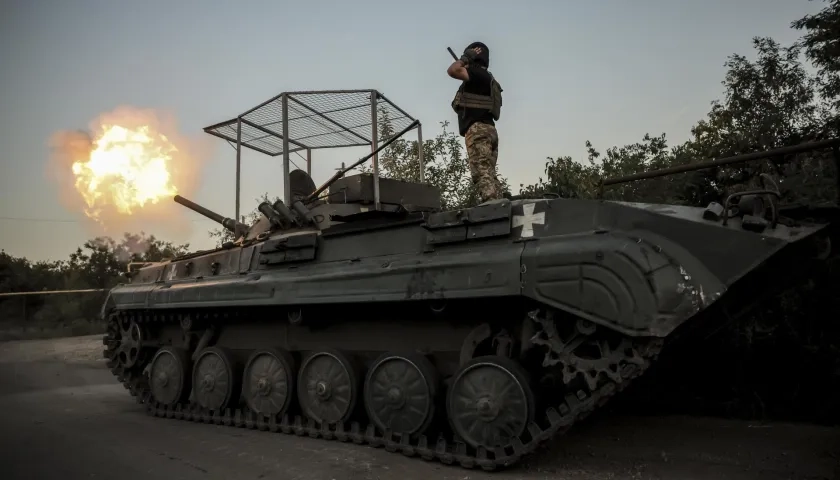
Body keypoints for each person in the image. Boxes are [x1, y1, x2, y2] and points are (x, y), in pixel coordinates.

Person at [447, 41, 504, 203]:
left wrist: (465, 59)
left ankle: (491, 205)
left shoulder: (477, 74)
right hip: (489, 130)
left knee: (481, 172)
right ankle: (498, 201)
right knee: (489, 172)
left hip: (478, 130)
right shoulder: (489, 79)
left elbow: (453, 70)